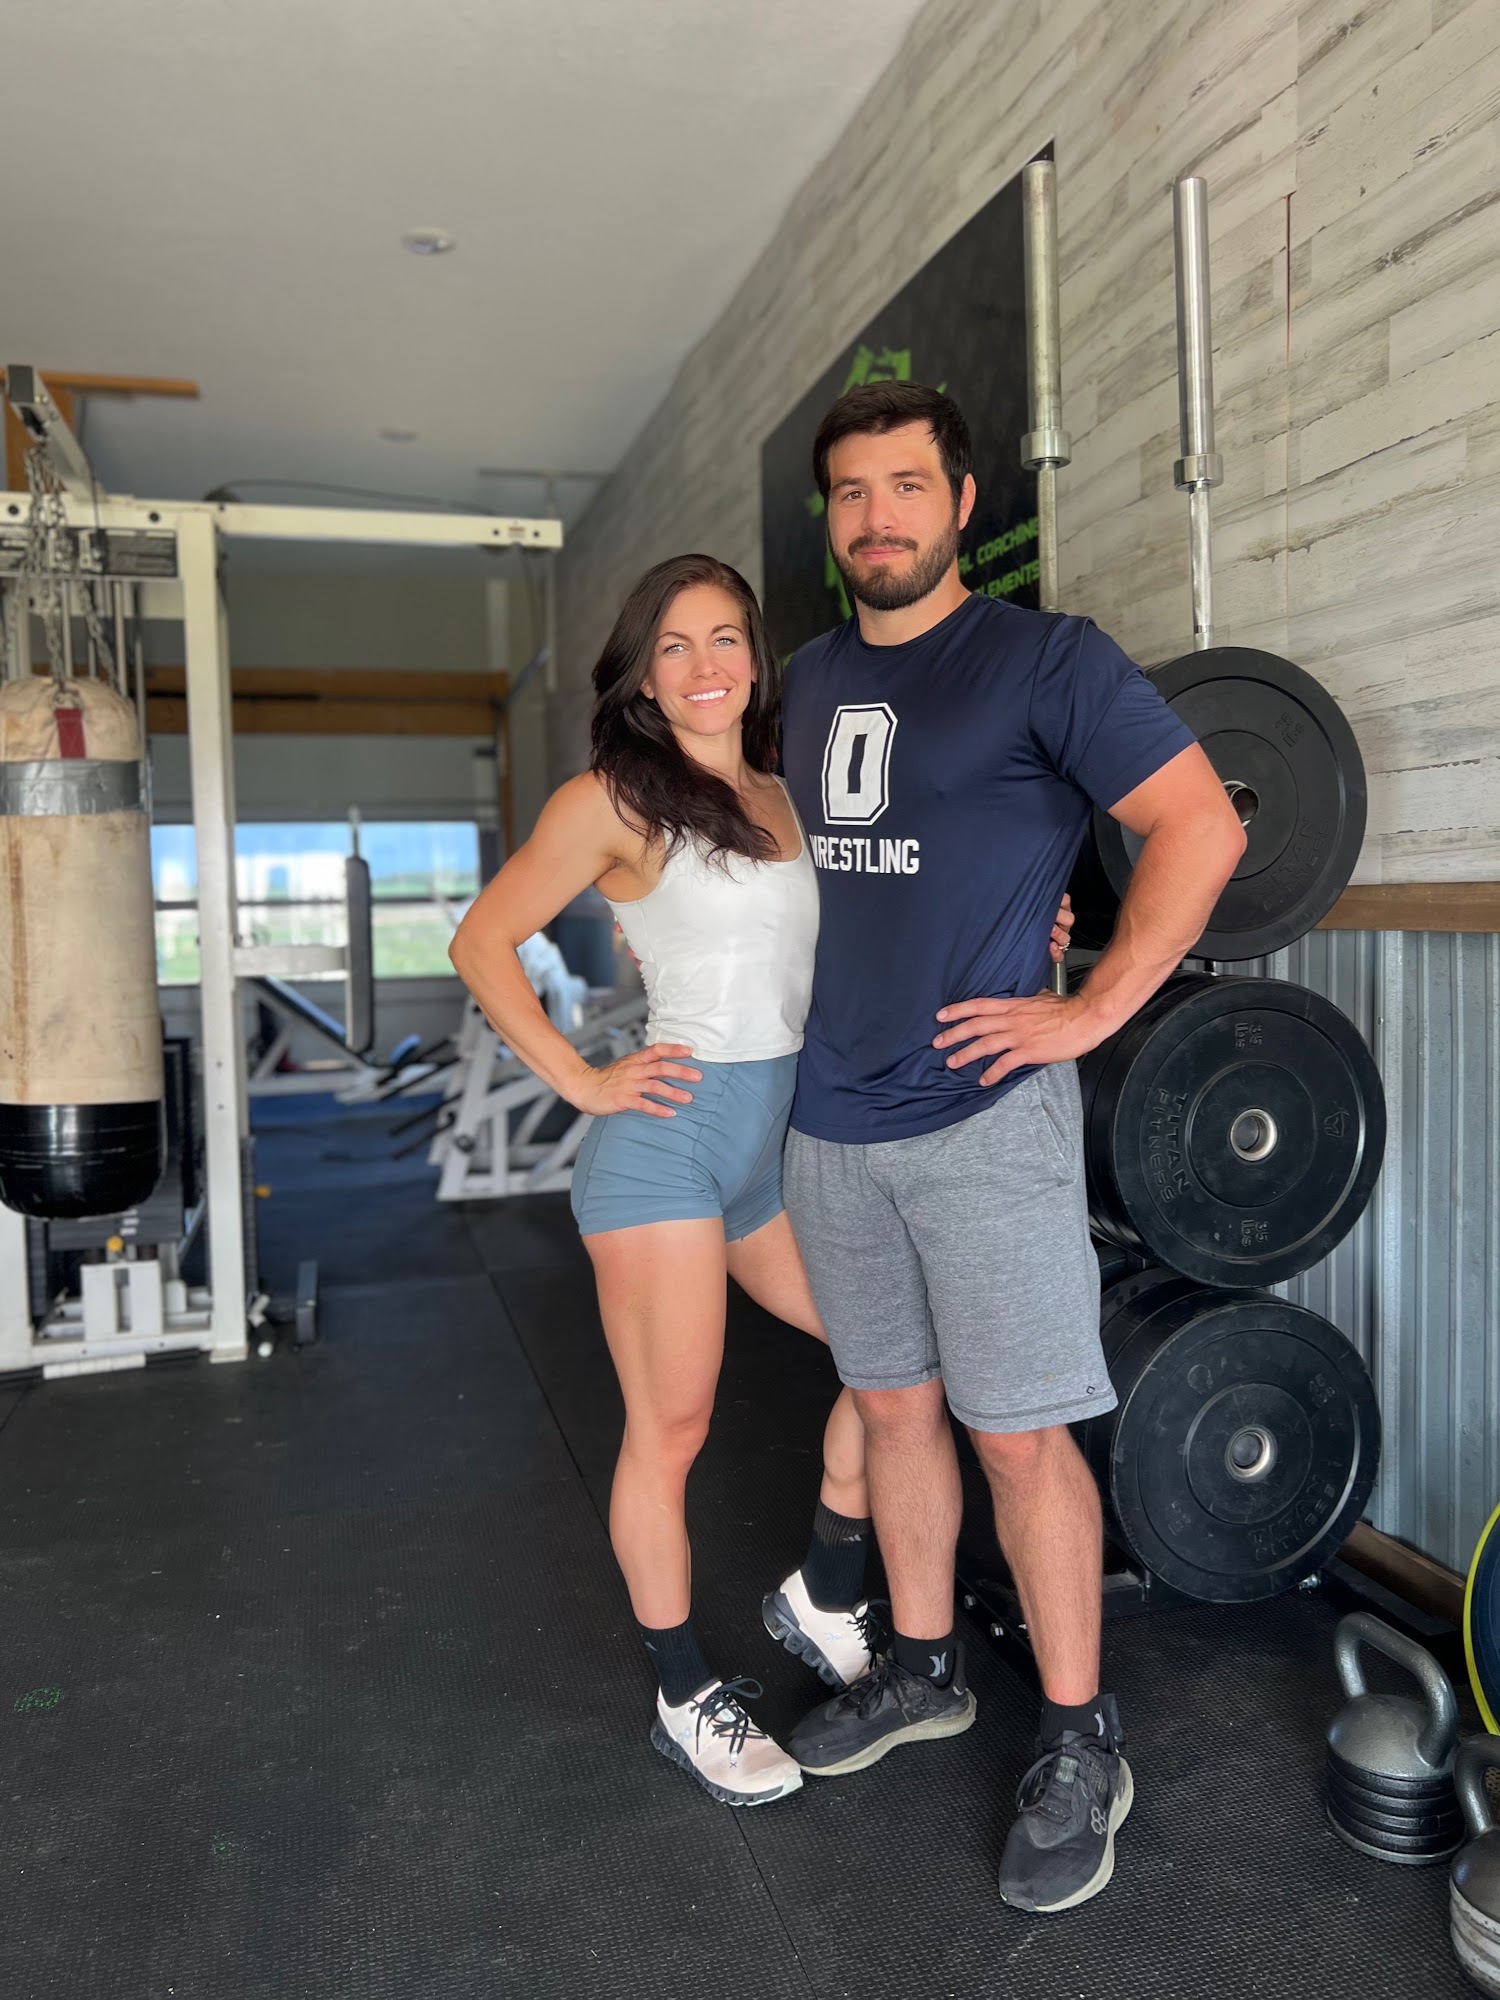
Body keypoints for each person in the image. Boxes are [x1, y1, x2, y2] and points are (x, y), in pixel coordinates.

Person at [449, 550, 1075, 1809]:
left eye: (725, 637)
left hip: (775, 1146)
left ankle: (827, 1584)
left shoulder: (792, 795)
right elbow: (481, 939)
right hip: (669, 1149)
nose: (704, 666)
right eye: (673, 645)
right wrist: (581, 1080)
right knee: (672, 1430)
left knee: (895, 1371)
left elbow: (895, 912)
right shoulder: (614, 800)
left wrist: (1031, 930)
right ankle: (685, 1693)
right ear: (643, 673)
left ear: (757, 656)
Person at [776, 380, 1247, 1914]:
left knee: (1017, 1439)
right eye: (853, 493)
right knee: (891, 1412)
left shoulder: (1049, 660)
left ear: (964, 502)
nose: (879, 518)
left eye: (907, 486)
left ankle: (1079, 1737)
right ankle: (923, 1670)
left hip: (984, 1118)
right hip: (830, 1124)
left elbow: (1202, 826)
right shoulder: (802, 683)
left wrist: (1093, 1003)